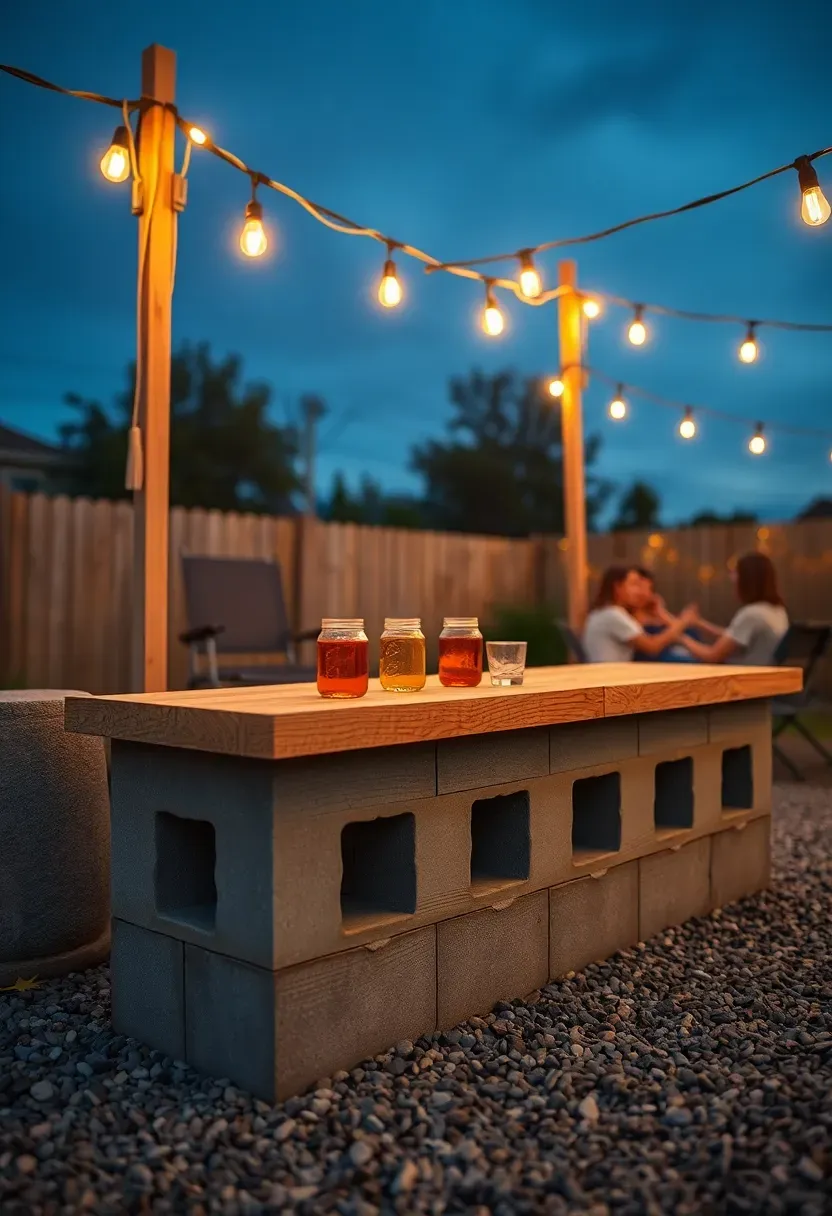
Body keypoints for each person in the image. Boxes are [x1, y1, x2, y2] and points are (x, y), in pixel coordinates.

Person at [678, 551, 788, 665]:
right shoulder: (777, 610)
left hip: (747, 678)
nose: (732, 578)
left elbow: (712, 656)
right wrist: (698, 623)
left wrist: (678, 636)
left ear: (747, 580)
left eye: (736, 573)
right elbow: (734, 634)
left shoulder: (751, 614)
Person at [583, 565, 698, 662]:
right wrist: (683, 621)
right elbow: (652, 646)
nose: (639, 592)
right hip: (612, 680)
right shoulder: (613, 615)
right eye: (634, 585)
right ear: (618, 587)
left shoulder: (604, 613)